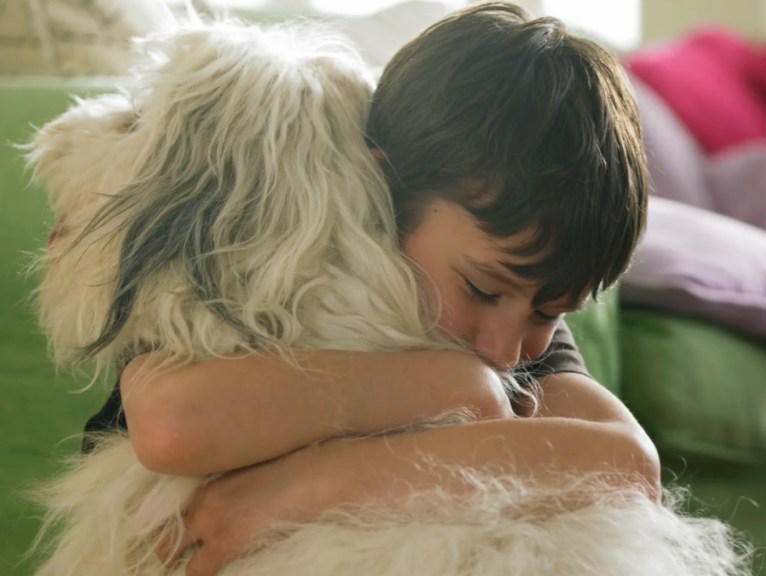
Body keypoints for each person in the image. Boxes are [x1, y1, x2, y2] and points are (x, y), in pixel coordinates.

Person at [82, 3, 653, 574]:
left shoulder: (510, 311)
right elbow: (170, 425)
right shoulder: (267, 260)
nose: (505, 350)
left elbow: (628, 466)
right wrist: (456, 387)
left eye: (550, 313)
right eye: (481, 289)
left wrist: (303, 490)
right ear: (383, 190)